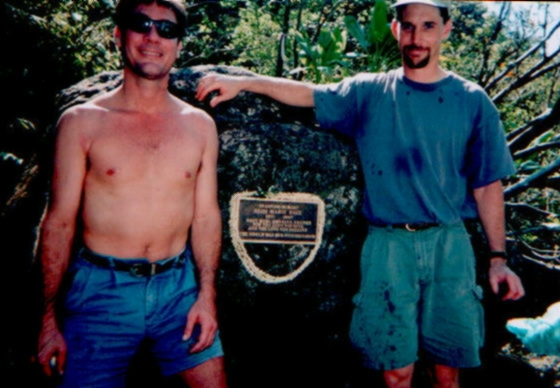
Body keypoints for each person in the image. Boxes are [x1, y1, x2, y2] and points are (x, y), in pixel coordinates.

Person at [195, 0, 524, 387]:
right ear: (395, 30)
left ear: (446, 30)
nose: (417, 38)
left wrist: (498, 259)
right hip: (387, 245)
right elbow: (307, 94)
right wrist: (245, 82)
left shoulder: (472, 101)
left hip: (449, 245)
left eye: (429, 26)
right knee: (395, 372)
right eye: (408, 26)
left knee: (447, 372)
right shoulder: (370, 91)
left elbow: (487, 185)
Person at [36, 0, 227, 386]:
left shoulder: (199, 126)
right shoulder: (82, 123)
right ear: (119, 35)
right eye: (141, 24)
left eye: (166, 29)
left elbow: (206, 217)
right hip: (100, 291)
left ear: (178, 44)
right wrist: (48, 320)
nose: (153, 36)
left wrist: (207, 297)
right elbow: (58, 222)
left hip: (179, 290)